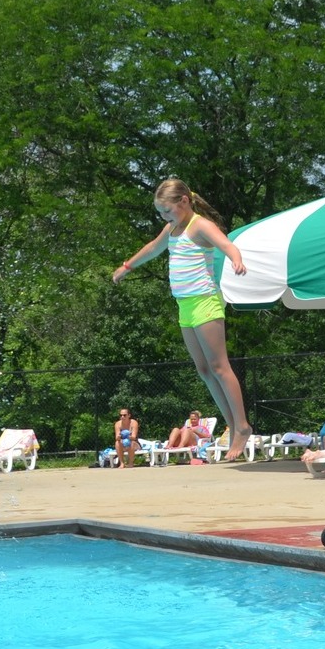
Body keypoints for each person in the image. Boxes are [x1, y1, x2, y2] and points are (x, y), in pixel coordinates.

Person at [112, 177, 253, 460]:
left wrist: (236, 258)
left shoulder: (200, 225)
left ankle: (242, 427)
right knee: (203, 370)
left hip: (205, 302)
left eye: (168, 211)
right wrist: (127, 266)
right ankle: (233, 424)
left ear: (184, 201)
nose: (165, 217)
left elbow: (226, 244)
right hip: (185, 307)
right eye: (161, 213)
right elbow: (153, 247)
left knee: (220, 366)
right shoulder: (173, 228)